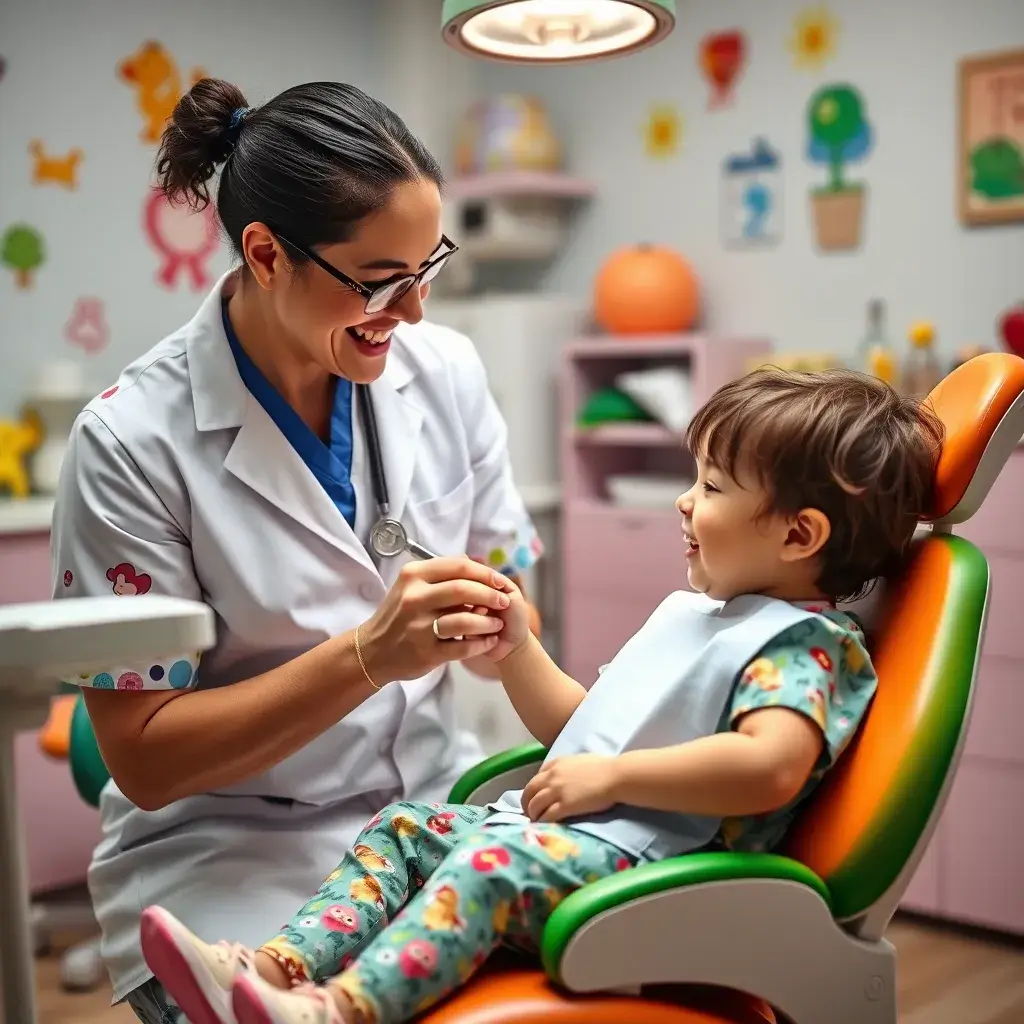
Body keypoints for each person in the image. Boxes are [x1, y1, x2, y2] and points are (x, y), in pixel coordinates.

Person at [137, 368, 944, 1024]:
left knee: (487, 865)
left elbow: (769, 767)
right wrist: (519, 646)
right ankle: (274, 967)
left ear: (799, 535)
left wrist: (614, 781)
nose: (684, 501)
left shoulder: (803, 647)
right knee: (405, 829)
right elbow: (579, 732)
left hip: (659, 871)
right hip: (581, 842)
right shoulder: (702, 618)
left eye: (714, 485)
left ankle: (337, 1011)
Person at [49, 77, 544, 1023]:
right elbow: (143, 761)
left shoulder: (445, 373)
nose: (416, 315)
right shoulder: (129, 443)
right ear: (266, 254)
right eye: (380, 281)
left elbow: (515, 586)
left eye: (427, 267)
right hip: (229, 861)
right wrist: (369, 656)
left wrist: (504, 625)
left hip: (431, 815)